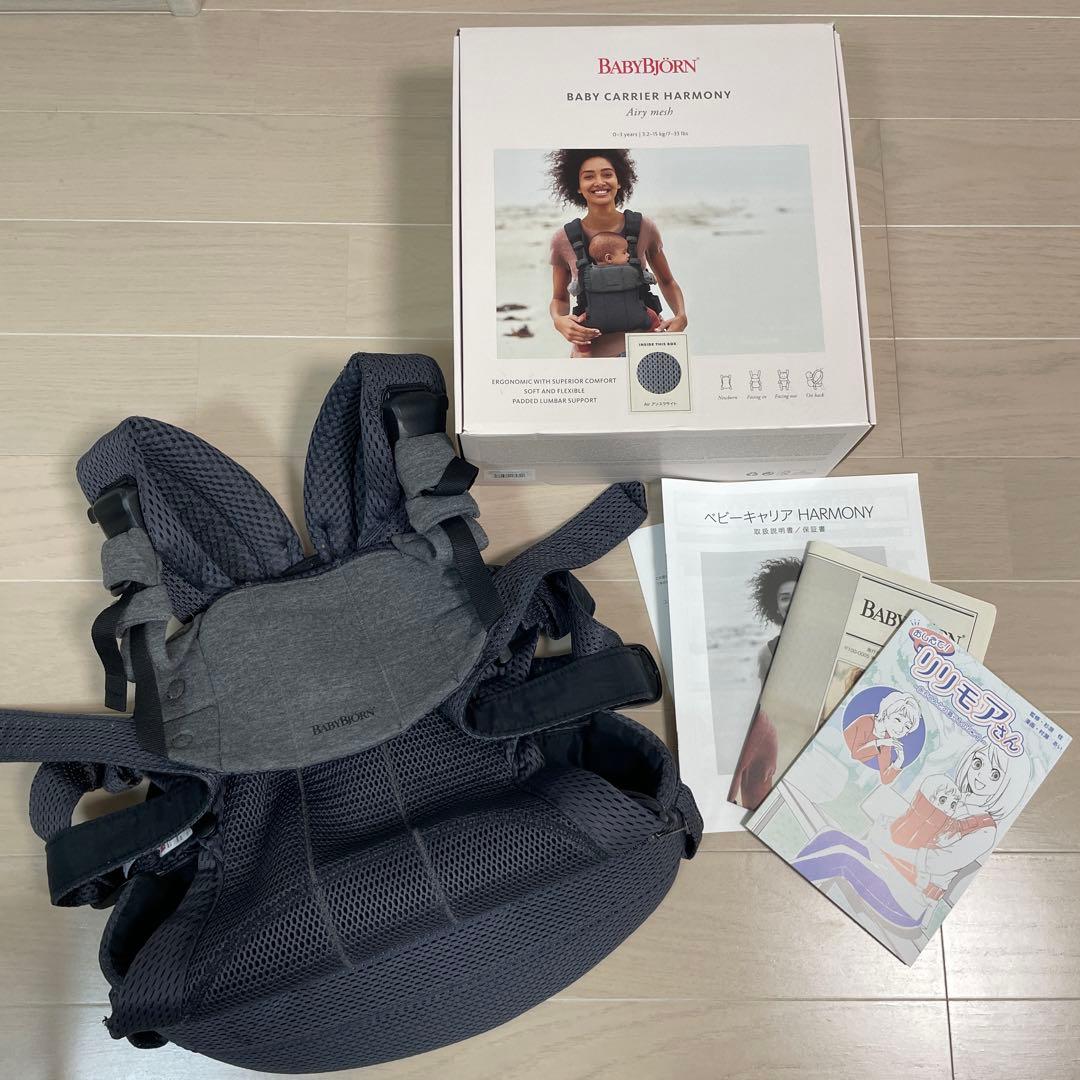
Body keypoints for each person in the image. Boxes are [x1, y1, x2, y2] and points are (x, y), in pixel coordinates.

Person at [547, 149, 688, 358]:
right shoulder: (563, 239)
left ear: (619, 181)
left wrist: (681, 315)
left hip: (647, 353)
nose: (599, 182)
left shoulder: (644, 227)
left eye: (607, 174)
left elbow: (667, 281)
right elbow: (559, 298)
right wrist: (559, 321)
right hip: (592, 357)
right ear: (577, 186)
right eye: (588, 177)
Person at [726, 556, 803, 809]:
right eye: (784, 597)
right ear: (776, 606)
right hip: (775, 732)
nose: (791, 602)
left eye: (798, 594)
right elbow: (760, 702)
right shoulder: (766, 652)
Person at [571, 232, 663, 353]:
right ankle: (657, 339)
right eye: (624, 252)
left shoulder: (586, 274)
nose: (628, 255)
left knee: (580, 325)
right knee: (653, 316)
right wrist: (653, 278)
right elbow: (649, 279)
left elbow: (574, 290)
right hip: (633, 311)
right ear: (609, 258)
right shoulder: (632, 270)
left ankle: (584, 352)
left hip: (596, 316)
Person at [843, 690, 923, 785]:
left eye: (907, 727)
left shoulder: (886, 739)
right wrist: (881, 742)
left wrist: (899, 760)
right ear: (885, 713)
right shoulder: (867, 721)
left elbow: (885, 779)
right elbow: (855, 754)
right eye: (898, 719)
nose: (901, 729)